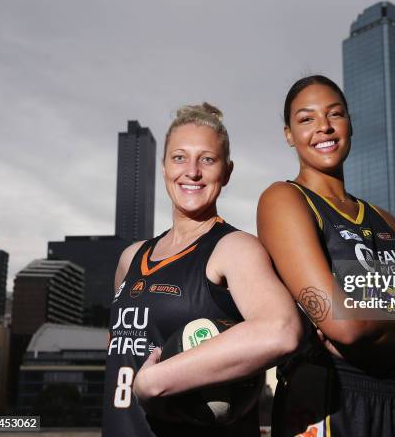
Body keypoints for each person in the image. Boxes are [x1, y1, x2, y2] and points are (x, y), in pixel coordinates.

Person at [257, 75, 395, 437]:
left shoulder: (387, 221)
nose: (324, 127)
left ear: (350, 123)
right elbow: (343, 324)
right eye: (306, 118)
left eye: (335, 114)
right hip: (332, 401)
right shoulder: (284, 200)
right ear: (288, 134)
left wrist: (375, 346)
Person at [102, 103, 302, 437]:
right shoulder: (131, 258)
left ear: (227, 170)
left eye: (207, 159)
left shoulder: (234, 248)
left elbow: (282, 329)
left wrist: (158, 381)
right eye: (179, 157)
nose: (192, 171)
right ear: (164, 165)